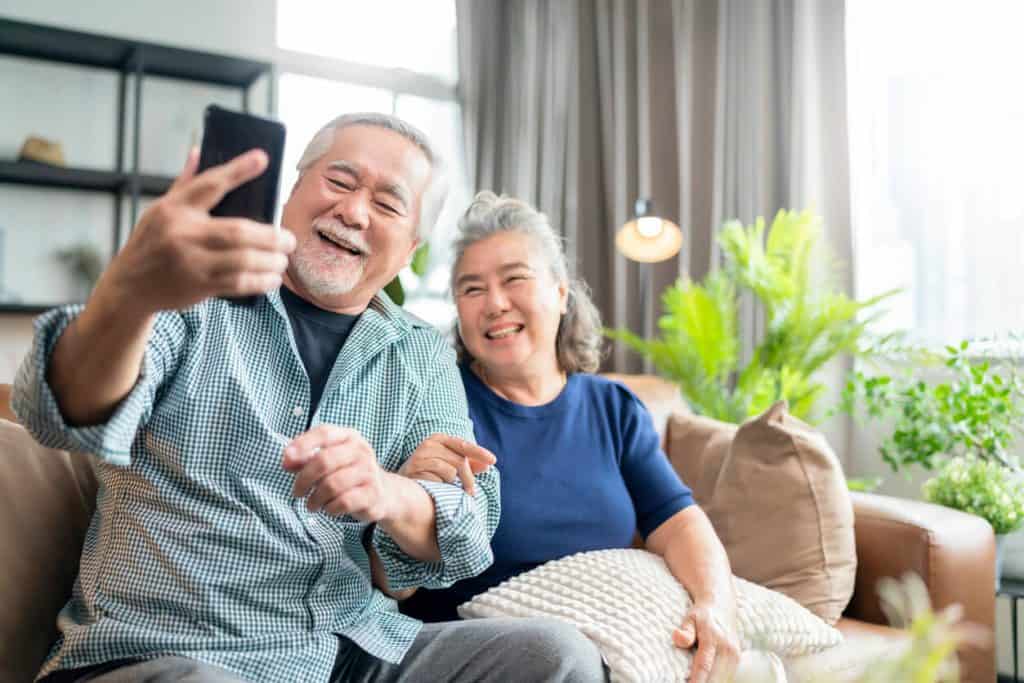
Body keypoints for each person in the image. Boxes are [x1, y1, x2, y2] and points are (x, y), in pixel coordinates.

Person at [13, 115, 605, 683]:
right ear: (292, 192)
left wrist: (387, 490)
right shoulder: (194, 292)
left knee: (556, 656)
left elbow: (467, 528)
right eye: (339, 181)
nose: (352, 211)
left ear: (410, 247)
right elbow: (59, 410)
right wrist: (132, 293)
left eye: (388, 203)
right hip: (171, 651)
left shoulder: (420, 353)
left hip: (351, 651)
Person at [397, 192, 742, 683]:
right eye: (472, 289)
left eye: (514, 278)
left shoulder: (612, 409)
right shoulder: (438, 404)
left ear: (561, 292)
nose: (495, 303)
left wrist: (715, 604)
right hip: (479, 657)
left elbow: (681, 523)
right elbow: (394, 572)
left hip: (602, 650)